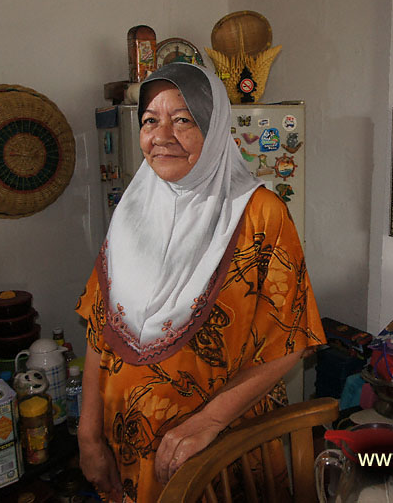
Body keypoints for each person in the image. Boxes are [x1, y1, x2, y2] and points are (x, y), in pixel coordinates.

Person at [75, 62, 325, 502]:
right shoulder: (131, 213)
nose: (162, 135)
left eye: (184, 119)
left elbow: (293, 340)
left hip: (222, 449)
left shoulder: (260, 215)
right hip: (126, 447)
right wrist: (88, 436)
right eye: (151, 120)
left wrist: (207, 422)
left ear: (214, 129)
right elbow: (101, 330)